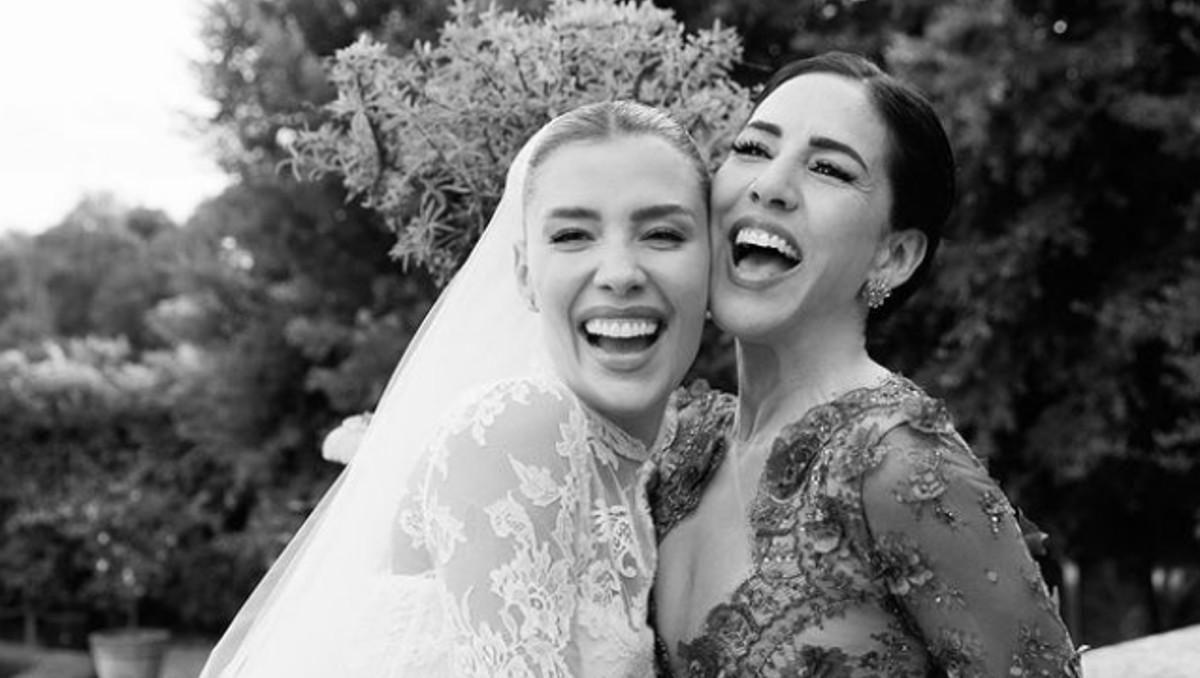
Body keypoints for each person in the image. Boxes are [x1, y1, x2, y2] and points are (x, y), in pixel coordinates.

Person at [199, 100, 712, 677]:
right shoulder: (521, 425)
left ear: (713, 262)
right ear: (525, 274)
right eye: (572, 235)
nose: (619, 273)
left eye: (662, 234)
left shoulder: (662, 455)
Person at [650, 52, 1082, 677]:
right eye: (752, 148)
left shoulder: (900, 467)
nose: (769, 184)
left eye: (828, 168)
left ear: (894, 256)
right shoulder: (679, 449)